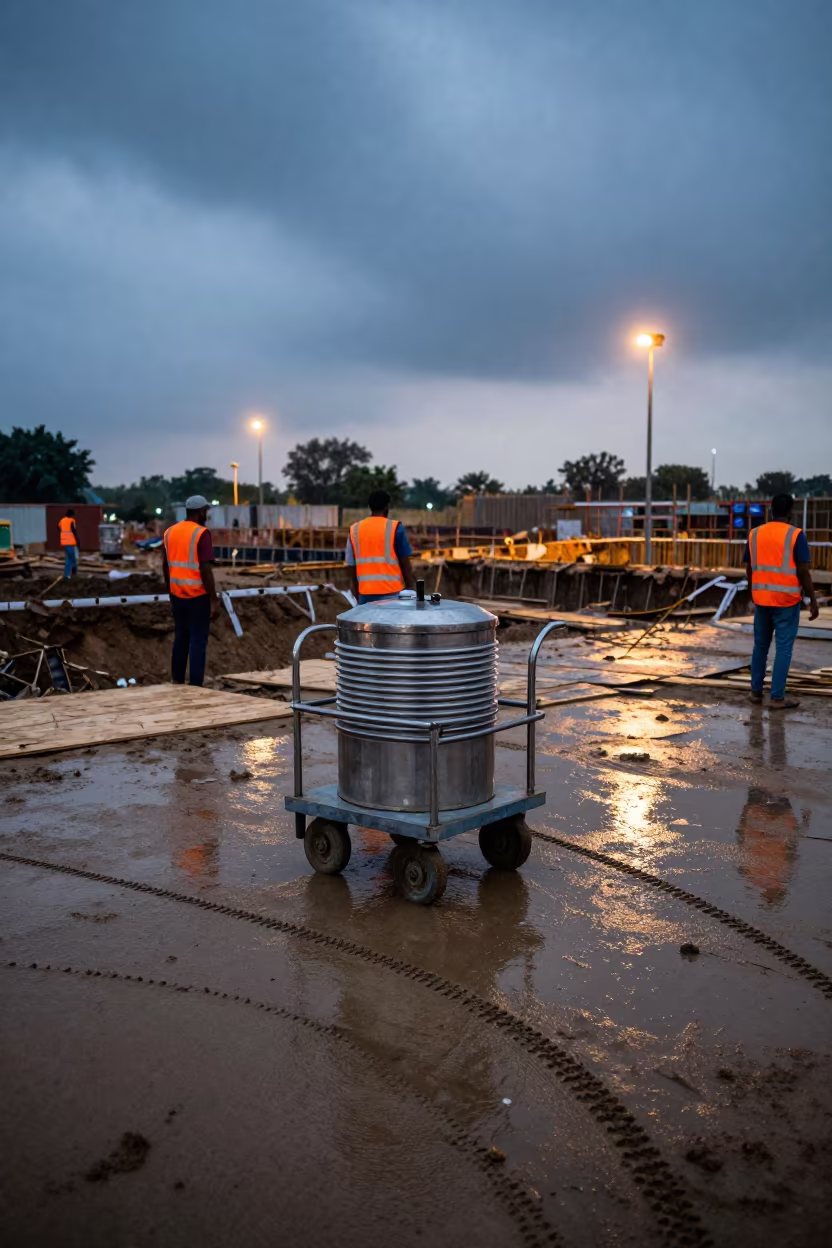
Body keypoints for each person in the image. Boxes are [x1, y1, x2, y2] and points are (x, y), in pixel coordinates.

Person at [744, 492, 819, 710]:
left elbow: (749, 568)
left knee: (760, 647)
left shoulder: (755, 534)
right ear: (790, 512)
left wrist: (755, 590)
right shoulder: (796, 535)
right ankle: (777, 697)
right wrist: (812, 599)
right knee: (784, 649)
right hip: (786, 601)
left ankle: (756, 693)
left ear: (770, 510)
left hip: (762, 600)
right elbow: (803, 571)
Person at [162, 495, 220, 686]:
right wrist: (213, 599)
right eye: (206, 511)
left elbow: (166, 565)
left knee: (181, 638)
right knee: (197, 641)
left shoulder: (169, 532)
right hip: (197, 596)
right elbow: (205, 568)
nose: (207, 515)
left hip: (177, 596)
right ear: (201, 511)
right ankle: (196, 685)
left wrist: (170, 589)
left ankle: (177, 679)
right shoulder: (201, 533)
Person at [346, 489, 415, 603]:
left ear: (369, 506)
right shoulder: (395, 528)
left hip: (365, 594)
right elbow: (405, 564)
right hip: (393, 593)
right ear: (387, 507)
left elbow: (351, 564)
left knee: (368, 621)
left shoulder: (354, 530)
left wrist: (356, 590)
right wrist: (411, 589)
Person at [59, 507, 78, 578]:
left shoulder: (62, 521)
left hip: (64, 542)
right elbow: (74, 531)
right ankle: (67, 575)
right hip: (70, 542)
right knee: (71, 559)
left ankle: (72, 573)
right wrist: (78, 541)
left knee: (69, 558)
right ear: (71, 514)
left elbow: (58, 528)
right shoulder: (71, 521)